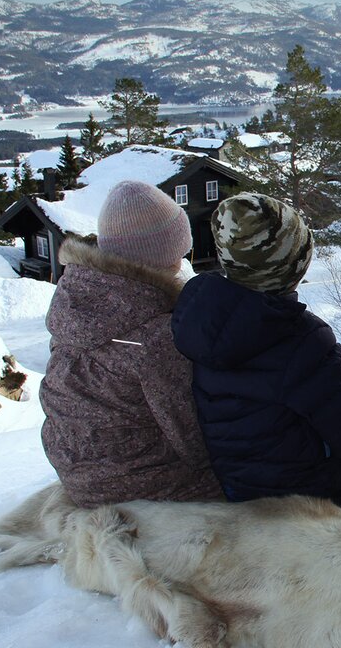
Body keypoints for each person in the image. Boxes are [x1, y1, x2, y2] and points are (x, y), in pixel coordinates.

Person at [171, 192, 341, 536]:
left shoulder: (198, 316)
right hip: (301, 493)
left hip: (239, 487)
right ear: (291, 267)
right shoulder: (301, 339)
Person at [40, 180, 223, 507]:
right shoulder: (155, 334)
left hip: (75, 473)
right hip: (138, 489)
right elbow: (193, 443)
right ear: (159, 257)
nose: (182, 263)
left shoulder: (74, 301)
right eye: (177, 254)